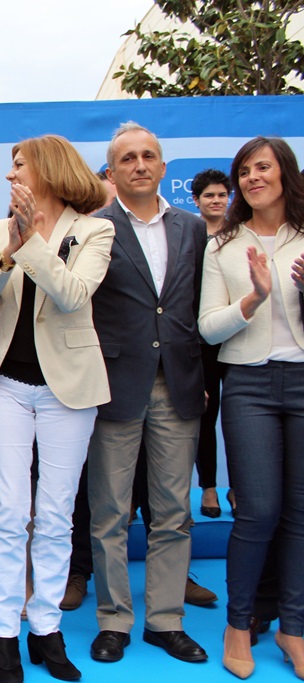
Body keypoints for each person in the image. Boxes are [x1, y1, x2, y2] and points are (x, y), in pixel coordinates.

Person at [0, 134, 114, 683]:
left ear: (48, 169)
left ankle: (46, 628)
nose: (11, 176)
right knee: (9, 512)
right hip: (4, 384)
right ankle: (4, 632)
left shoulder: (94, 229)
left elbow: (73, 295)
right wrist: (9, 249)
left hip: (68, 388)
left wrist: (31, 242)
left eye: (19, 165)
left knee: (55, 515)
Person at [88, 122, 209, 665]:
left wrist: (200, 379)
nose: (140, 164)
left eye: (149, 156)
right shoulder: (95, 229)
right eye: (128, 158)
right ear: (112, 172)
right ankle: (114, 620)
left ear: (162, 166)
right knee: (110, 512)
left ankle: (165, 621)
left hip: (179, 385)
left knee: (173, 512)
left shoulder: (193, 229)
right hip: (115, 386)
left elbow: (199, 306)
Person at [198, 136, 304, 680]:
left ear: (285, 172)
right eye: (244, 171)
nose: (252, 178)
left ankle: (293, 627)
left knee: (300, 514)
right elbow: (207, 327)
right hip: (249, 384)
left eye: (262, 167)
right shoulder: (223, 245)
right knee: (258, 510)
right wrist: (254, 298)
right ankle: (238, 625)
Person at [190, 169, 231, 518]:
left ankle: (240, 488)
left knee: (241, 420)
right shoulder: (189, 236)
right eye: (209, 196)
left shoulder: (241, 234)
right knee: (206, 415)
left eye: (221, 195)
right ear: (196, 200)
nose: (216, 201)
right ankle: (209, 488)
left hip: (237, 338)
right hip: (200, 341)